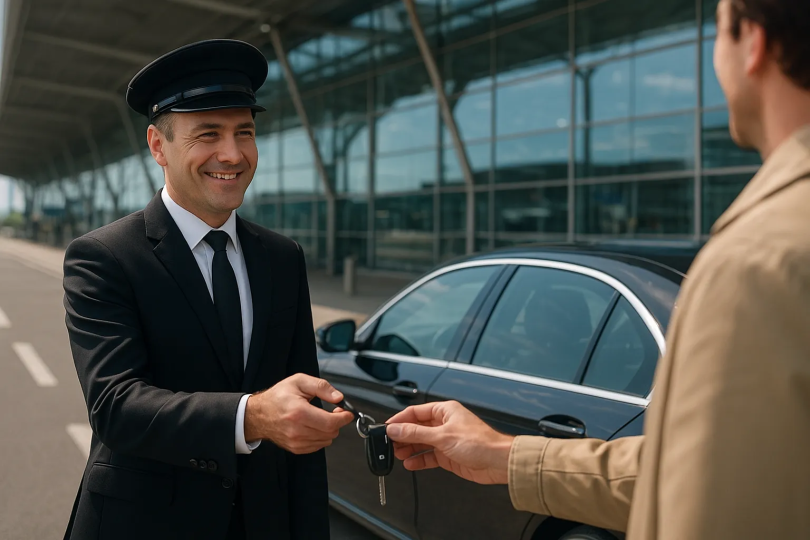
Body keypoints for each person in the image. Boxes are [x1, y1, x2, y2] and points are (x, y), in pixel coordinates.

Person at [386, 0, 810, 538]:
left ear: (753, 43)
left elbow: (711, 508)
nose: (713, 59)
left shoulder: (759, 257)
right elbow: (718, 472)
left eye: (718, 33)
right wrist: (505, 455)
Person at [62, 39, 354, 540]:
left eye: (245, 132)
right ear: (158, 146)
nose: (233, 154)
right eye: (208, 134)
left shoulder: (283, 258)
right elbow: (116, 406)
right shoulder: (104, 257)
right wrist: (253, 416)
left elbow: (302, 423)